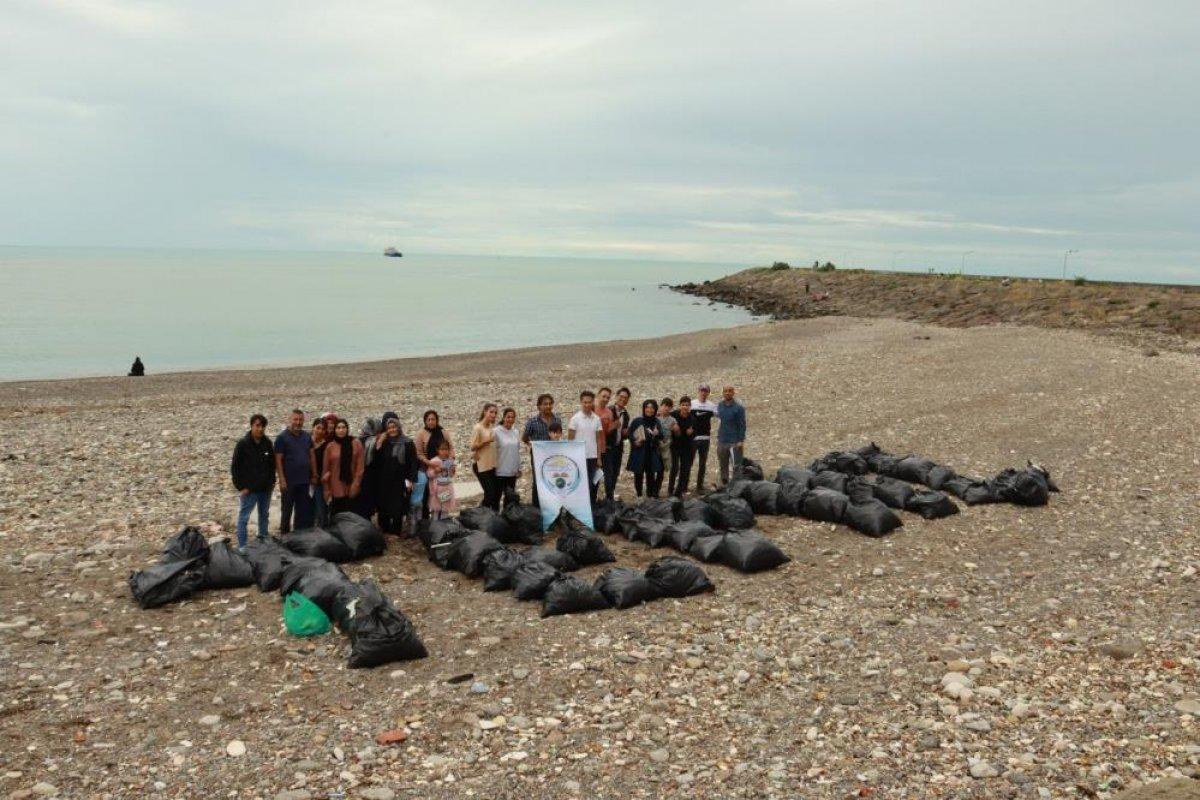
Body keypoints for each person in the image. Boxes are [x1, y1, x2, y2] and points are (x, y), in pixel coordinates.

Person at [230, 414, 275, 552]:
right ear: (251, 426)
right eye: (257, 426)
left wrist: (272, 482)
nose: (260, 429)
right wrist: (241, 487)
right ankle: (242, 546)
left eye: (262, 426)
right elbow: (235, 467)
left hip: (265, 489)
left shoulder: (267, 443)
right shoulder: (243, 444)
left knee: (264, 515)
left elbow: (271, 464)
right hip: (249, 490)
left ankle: (262, 540)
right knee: (244, 517)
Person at [373, 412, 418, 534]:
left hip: (400, 480)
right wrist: (379, 443)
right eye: (389, 428)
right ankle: (384, 529)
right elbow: (376, 460)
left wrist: (411, 479)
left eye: (394, 427)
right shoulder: (384, 442)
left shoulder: (408, 443)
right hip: (384, 480)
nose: (392, 430)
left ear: (398, 427)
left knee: (398, 506)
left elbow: (413, 462)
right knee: (384, 506)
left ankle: (396, 531)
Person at [274, 409, 314, 534]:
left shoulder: (307, 436)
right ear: (290, 420)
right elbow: (278, 460)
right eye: (295, 419)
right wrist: (282, 479)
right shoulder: (282, 438)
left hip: (304, 480)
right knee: (286, 511)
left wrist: (314, 474)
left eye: (300, 420)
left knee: (301, 511)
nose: (298, 422)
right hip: (289, 482)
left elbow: (311, 456)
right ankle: (284, 537)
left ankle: (299, 538)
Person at [521, 394, 560, 507]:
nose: (548, 406)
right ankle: (537, 508)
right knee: (538, 481)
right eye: (545, 404)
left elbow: (558, 435)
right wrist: (532, 446)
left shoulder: (557, 419)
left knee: (553, 479)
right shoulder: (532, 421)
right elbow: (525, 437)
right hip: (538, 456)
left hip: (553, 455)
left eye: (550, 404)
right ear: (539, 406)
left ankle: (552, 506)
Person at [414, 410, 453, 519]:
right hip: (426, 467)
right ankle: (426, 521)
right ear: (425, 421)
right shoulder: (421, 434)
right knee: (427, 496)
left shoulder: (443, 432)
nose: (431, 422)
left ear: (437, 420)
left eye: (433, 419)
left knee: (443, 495)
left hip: (443, 469)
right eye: (428, 420)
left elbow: (451, 449)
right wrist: (431, 463)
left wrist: (449, 462)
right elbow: (418, 453)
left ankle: (442, 521)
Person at [568, 390, 605, 504]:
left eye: (589, 402)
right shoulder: (575, 419)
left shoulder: (596, 419)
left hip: (592, 457)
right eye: (585, 402)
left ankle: (592, 506)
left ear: (593, 402)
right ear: (581, 402)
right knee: (580, 484)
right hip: (579, 457)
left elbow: (598, 440)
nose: (587, 405)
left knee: (594, 483)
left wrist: (599, 458)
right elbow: (570, 440)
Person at [322, 418, 365, 516]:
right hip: (335, 487)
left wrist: (356, 484)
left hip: (352, 486)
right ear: (335, 430)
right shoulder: (330, 446)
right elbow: (326, 470)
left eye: (343, 427)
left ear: (347, 429)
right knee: (337, 516)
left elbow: (360, 467)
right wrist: (326, 489)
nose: (341, 430)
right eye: (338, 428)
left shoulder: (356, 443)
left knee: (351, 516)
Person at [626, 399, 664, 498]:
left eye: (652, 408)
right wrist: (635, 442)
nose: (649, 410)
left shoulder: (656, 422)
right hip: (639, 453)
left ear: (655, 409)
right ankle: (639, 496)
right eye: (647, 407)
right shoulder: (637, 421)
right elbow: (630, 435)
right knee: (638, 475)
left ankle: (649, 496)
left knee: (650, 476)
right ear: (644, 408)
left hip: (651, 453)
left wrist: (657, 433)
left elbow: (662, 436)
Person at [470, 403, 501, 510]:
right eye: (491, 412)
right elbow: (472, 447)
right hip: (481, 465)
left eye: (495, 413)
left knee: (495, 494)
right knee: (490, 494)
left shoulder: (491, 428)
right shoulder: (478, 428)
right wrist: (485, 441)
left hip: (491, 465)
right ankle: (480, 514)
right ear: (485, 412)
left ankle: (491, 517)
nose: (493, 415)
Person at [716, 384, 747, 486]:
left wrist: (741, 440)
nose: (727, 393)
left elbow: (742, 425)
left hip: (734, 441)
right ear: (723, 393)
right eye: (725, 391)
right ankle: (724, 484)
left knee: (736, 465)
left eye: (730, 391)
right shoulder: (720, 405)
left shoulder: (739, 408)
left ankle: (737, 485)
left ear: (733, 393)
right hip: (722, 440)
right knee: (723, 464)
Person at [604, 388, 631, 500]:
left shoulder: (626, 414)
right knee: (608, 474)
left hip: (618, 447)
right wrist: (612, 427)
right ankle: (609, 498)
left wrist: (626, 434)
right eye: (621, 396)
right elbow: (602, 431)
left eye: (626, 398)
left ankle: (610, 496)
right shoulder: (608, 411)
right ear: (616, 396)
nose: (623, 399)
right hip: (608, 447)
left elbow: (623, 433)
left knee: (615, 473)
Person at [691, 383, 718, 493]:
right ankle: (683, 486)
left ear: (708, 392)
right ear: (698, 391)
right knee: (689, 462)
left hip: (705, 438)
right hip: (692, 438)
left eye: (706, 391)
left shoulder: (711, 406)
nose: (703, 393)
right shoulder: (692, 404)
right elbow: (681, 414)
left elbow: (721, 415)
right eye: (702, 390)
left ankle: (699, 486)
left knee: (702, 463)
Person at [494, 407, 522, 508]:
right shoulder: (496, 432)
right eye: (508, 417)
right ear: (504, 417)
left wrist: (519, 468)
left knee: (510, 496)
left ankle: (508, 517)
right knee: (496, 496)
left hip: (512, 470)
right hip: (500, 469)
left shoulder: (516, 432)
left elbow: (517, 451)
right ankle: (495, 517)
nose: (510, 419)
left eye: (513, 417)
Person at [670, 395, 696, 498]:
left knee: (685, 469)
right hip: (675, 446)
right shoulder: (674, 415)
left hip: (687, 447)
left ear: (690, 407)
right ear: (680, 406)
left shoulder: (692, 418)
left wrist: (691, 432)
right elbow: (664, 416)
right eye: (683, 405)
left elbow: (695, 431)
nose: (685, 407)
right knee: (675, 468)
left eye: (687, 405)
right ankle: (670, 489)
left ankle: (679, 491)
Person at [426, 439, 458, 518]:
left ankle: (443, 527)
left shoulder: (449, 461)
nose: (444, 451)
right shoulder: (433, 461)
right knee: (436, 511)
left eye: (446, 449)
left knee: (445, 510)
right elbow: (428, 474)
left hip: (446, 489)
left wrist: (453, 470)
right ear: (437, 450)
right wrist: (435, 471)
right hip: (437, 489)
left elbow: (450, 475)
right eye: (442, 449)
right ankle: (435, 527)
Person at [308, 417, 330, 527]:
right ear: (313, 428)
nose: (320, 431)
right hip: (306, 481)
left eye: (323, 429)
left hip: (320, 482)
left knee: (321, 509)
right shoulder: (306, 442)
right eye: (318, 428)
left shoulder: (326, 445)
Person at [656, 398, 677, 497]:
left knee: (661, 471)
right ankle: (651, 491)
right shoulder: (655, 417)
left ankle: (656, 491)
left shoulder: (672, 420)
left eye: (669, 406)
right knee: (652, 470)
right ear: (661, 406)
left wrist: (676, 430)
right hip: (655, 447)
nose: (666, 408)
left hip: (666, 448)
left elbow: (677, 434)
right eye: (664, 405)